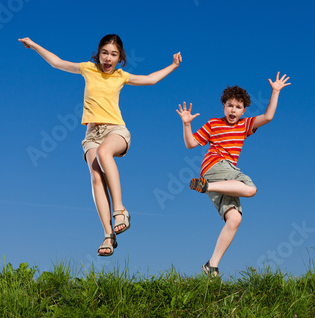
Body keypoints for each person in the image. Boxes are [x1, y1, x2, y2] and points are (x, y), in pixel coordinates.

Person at [19, 34, 182, 256]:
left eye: (113, 54)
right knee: (96, 177)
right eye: (105, 52)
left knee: (105, 153)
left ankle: (120, 210)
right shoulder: (88, 69)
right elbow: (58, 63)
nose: (108, 58)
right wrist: (34, 45)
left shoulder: (121, 76)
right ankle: (108, 235)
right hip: (92, 134)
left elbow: (150, 79)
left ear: (120, 58)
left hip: (115, 130)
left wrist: (172, 65)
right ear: (99, 53)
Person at [176, 72, 290, 275]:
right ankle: (206, 186)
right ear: (223, 106)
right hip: (217, 166)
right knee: (250, 189)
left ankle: (211, 266)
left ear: (244, 110)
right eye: (230, 105)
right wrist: (186, 124)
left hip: (221, 178)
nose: (233, 110)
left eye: (238, 107)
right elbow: (191, 143)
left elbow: (268, 116)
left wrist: (275, 91)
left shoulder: (244, 125)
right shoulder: (213, 123)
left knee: (234, 219)